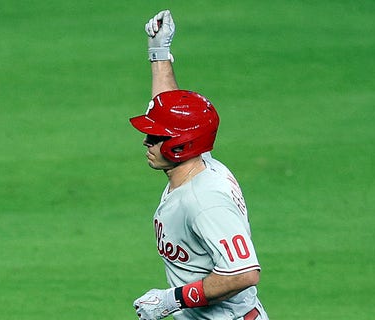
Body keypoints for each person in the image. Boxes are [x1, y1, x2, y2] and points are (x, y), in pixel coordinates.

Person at [130, 10, 269, 320]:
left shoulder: (204, 201)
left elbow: (243, 274)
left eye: (155, 137)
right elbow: (170, 108)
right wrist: (159, 54)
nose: (146, 142)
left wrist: (171, 299)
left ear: (180, 146)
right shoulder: (198, 164)